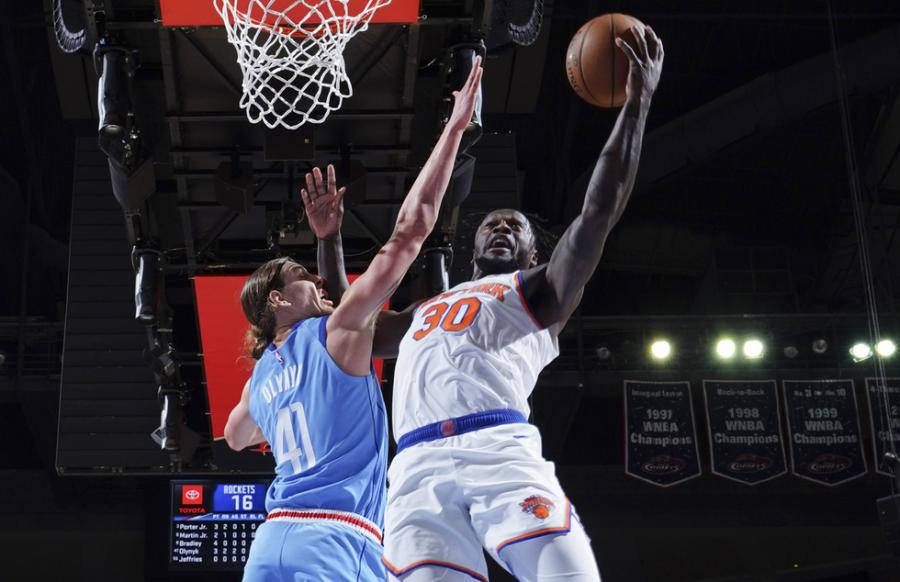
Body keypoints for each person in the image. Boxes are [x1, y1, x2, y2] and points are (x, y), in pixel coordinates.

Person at [379, 27, 664, 582]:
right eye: (492, 223)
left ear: (534, 253)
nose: (502, 227)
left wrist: (638, 102)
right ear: (473, 245)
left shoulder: (539, 290)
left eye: (515, 225)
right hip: (416, 468)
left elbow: (598, 213)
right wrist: (328, 243)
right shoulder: (424, 311)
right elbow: (348, 330)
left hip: (499, 449)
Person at [222, 57, 484, 582]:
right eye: (302, 276)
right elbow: (410, 233)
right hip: (339, 539)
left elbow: (234, 436)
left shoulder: (258, 381)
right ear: (277, 301)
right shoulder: (336, 332)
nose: (318, 282)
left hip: (270, 544)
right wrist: (454, 130)